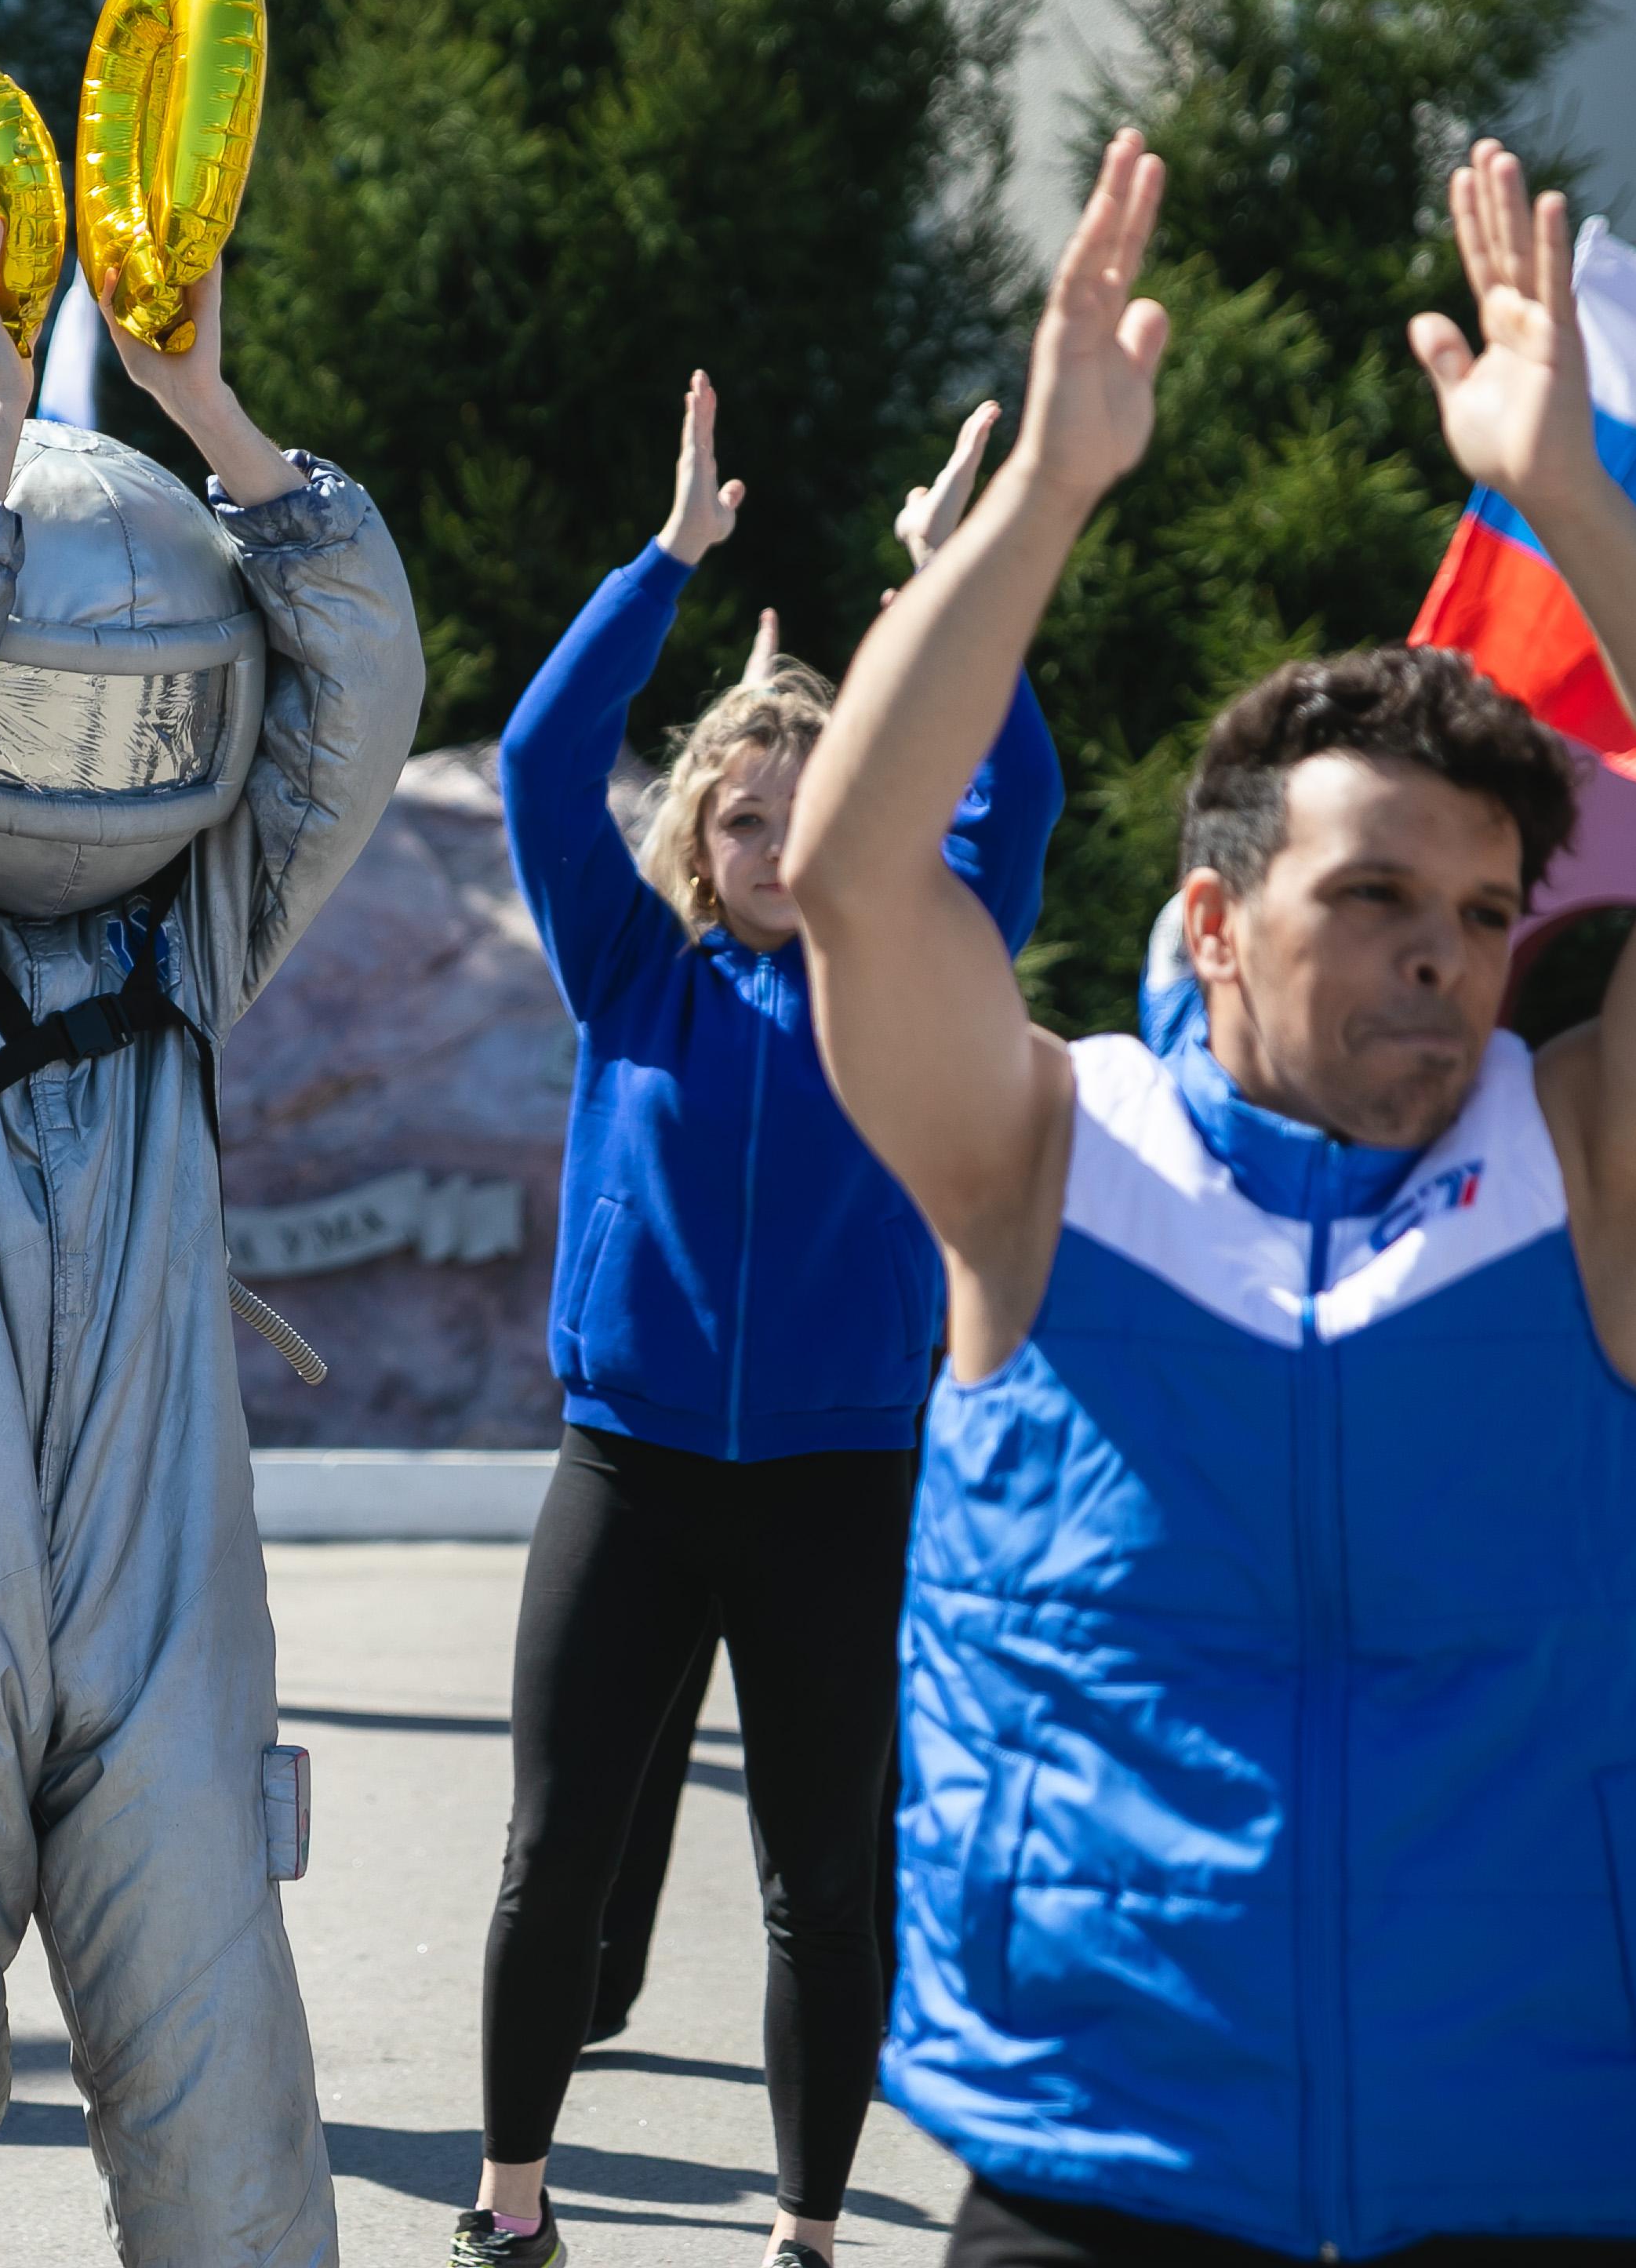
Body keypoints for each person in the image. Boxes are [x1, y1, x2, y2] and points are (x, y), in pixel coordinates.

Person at [784, 134, 1636, 2263]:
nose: (1443, 953)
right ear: (1211, 923)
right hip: (1106, 2170)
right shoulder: (1042, 1161)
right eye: (1372, 896)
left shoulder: (1589, 1168)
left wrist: (1575, 500)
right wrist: (1050, 491)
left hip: (1536, 2169)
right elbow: (849, 875)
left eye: (1479, 906)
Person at [0, 222, 422, 2264]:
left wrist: (211, 418)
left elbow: (362, 693)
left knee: (219, 2046)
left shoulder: (188, 937)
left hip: (156, 1560)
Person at [457, 389, 1056, 2268]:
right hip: (627, 1476)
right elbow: (549, 760)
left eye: (814, 817)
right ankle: (512, 2207)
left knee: (826, 1881)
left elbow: (1014, 792)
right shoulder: (630, 973)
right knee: (555, 1853)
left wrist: (945, 580)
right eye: (742, 813)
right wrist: (670, 560)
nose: (775, 844)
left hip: (842, 1490)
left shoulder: (916, 967)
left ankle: (804, 2232)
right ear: (699, 838)